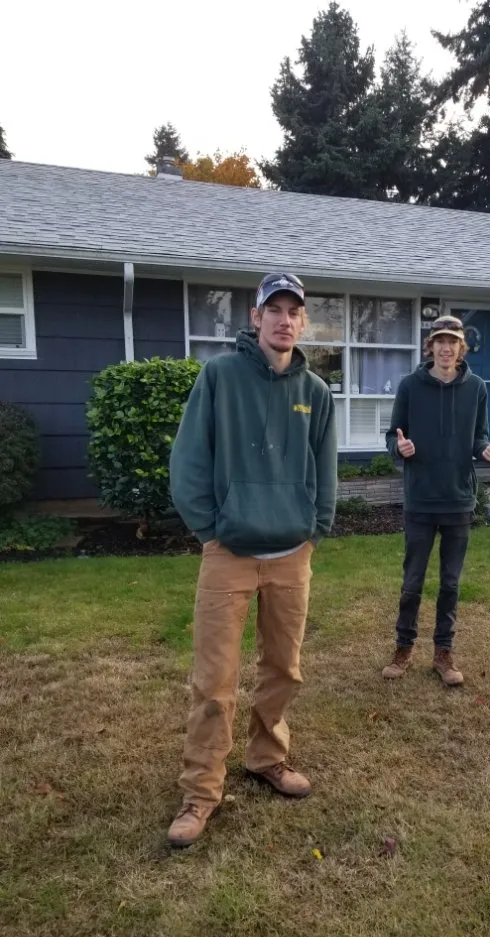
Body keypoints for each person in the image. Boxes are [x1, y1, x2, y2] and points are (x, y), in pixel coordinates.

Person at [167, 272, 337, 848]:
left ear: (302, 321)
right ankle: (201, 792)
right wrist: (210, 532)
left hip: (292, 555)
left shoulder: (314, 391)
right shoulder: (219, 377)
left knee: (283, 670)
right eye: (275, 310)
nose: (284, 320)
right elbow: (189, 462)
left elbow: (326, 467)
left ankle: (268, 759)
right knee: (215, 681)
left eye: (294, 311)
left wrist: (316, 529)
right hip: (229, 555)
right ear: (255, 316)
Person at [384, 315, 490, 686]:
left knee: (450, 584)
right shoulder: (410, 386)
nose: (446, 347)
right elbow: (393, 436)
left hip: (458, 500)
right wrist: (400, 447)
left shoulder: (477, 388)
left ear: (460, 347)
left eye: (452, 341)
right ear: (430, 346)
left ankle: (443, 654)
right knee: (412, 582)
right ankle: (403, 648)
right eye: (439, 340)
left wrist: (485, 450)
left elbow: (478, 437)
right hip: (421, 499)